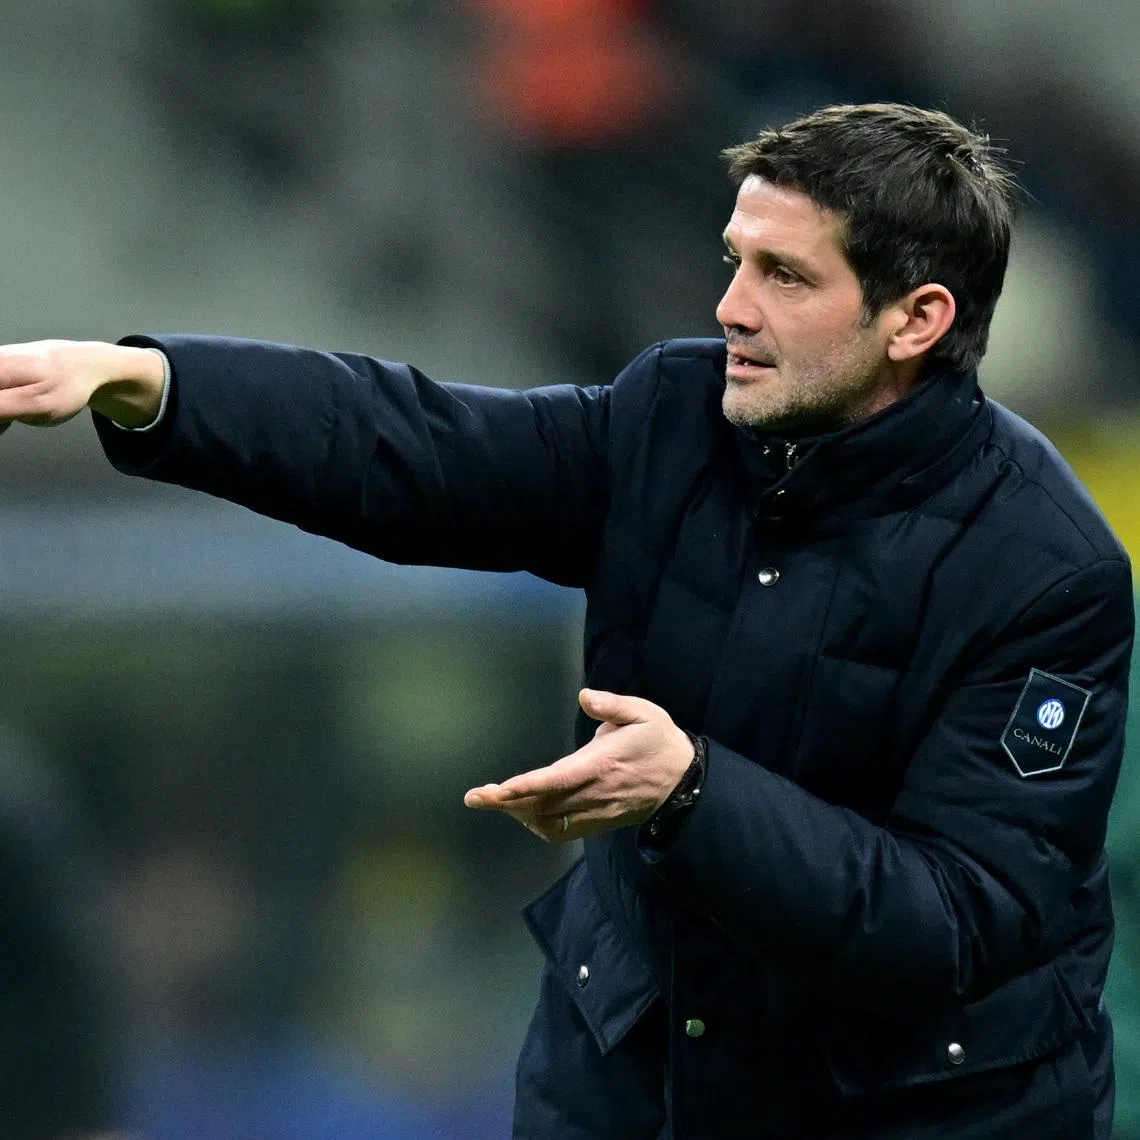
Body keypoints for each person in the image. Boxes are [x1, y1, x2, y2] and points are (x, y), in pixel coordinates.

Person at [0, 103, 1133, 1139]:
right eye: (735, 260)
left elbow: (957, 922)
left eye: (786, 276)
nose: (732, 306)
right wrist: (153, 382)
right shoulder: (672, 417)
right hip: (633, 1080)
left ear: (918, 318)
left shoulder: (1049, 572)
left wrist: (693, 791)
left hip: (919, 1111)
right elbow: (420, 446)